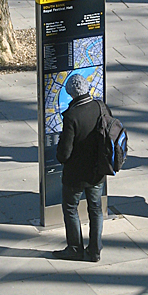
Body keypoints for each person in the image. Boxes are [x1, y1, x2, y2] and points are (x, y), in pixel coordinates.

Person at [53, 74, 108, 262]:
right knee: (96, 209)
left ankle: (75, 248)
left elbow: (64, 154)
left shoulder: (71, 116)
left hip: (76, 175)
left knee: (70, 208)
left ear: (71, 93)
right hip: (97, 172)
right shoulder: (101, 107)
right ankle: (95, 250)